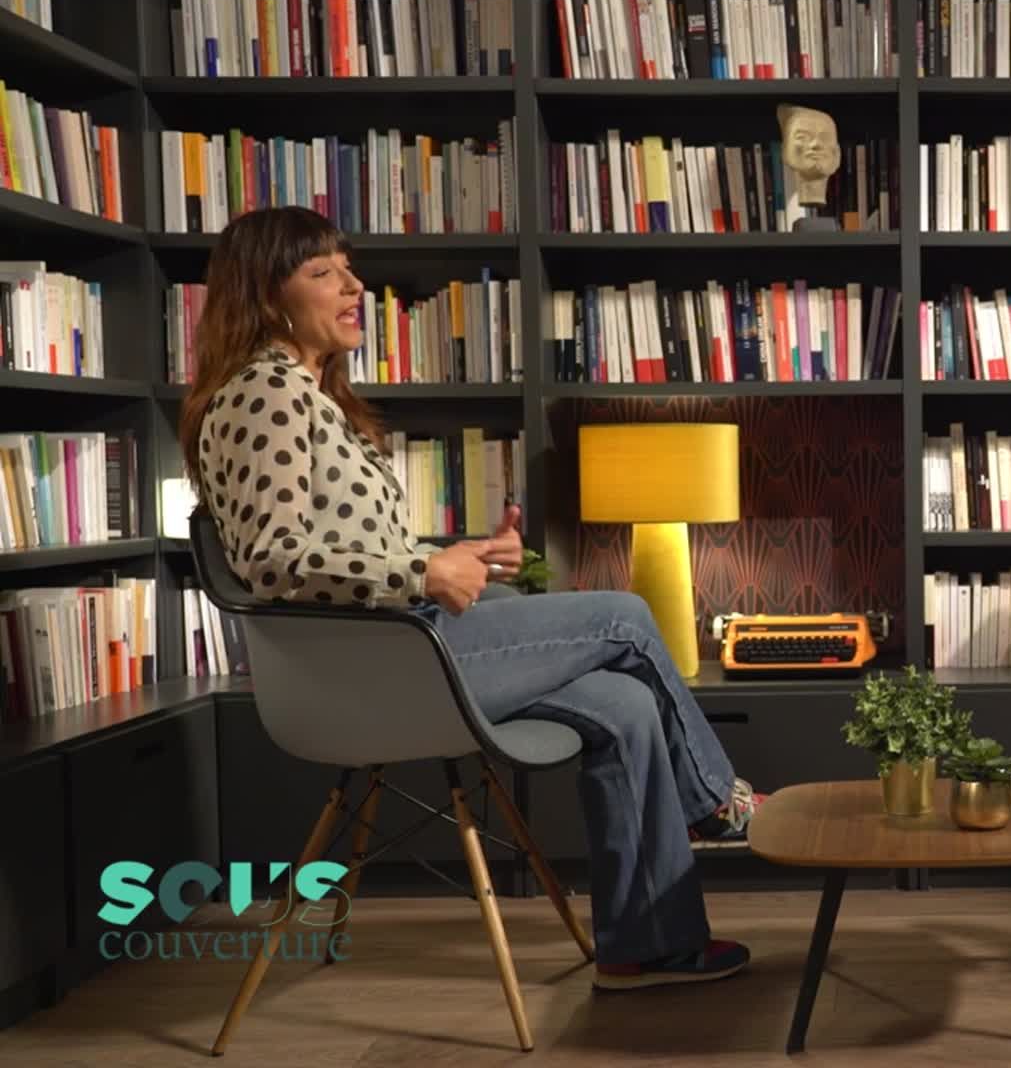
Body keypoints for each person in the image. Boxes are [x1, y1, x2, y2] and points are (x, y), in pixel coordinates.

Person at [179, 206, 756, 992]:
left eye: (348, 267)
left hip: (403, 649)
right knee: (623, 616)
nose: (354, 286)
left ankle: (646, 946)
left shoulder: (312, 396)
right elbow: (272, 563)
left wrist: (465, 557)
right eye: (323, 273)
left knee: (624, 701)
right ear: (266, 295)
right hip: (376, 671)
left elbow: (353, 548)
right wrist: (423, 576)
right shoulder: (265, 394)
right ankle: (719, 802)